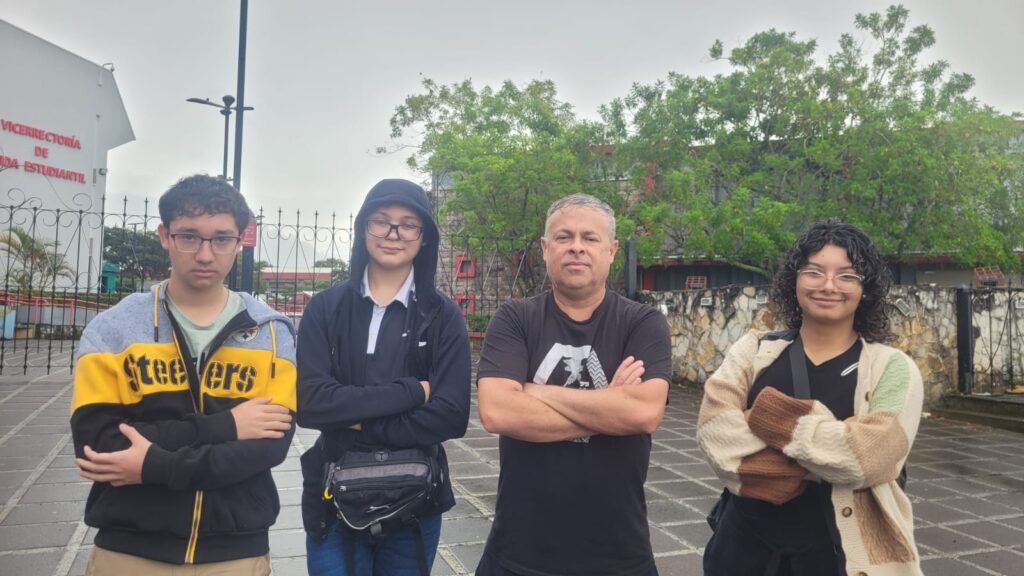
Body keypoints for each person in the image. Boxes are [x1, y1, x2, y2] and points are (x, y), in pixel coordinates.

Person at [71, 174, 297, 575]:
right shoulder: (113, 330)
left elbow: (268, 449)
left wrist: (151, 465)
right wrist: (226, 426)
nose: (206, 254)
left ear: (241, 239)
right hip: (129, 551)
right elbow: (98, 445)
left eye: (221, 239)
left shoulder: (271, 333)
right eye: (189, 237)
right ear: (164, 235)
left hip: (235, 553)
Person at [698, 220, 924, 576]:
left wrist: (770, 416)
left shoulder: (893, 369)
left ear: (866, 289)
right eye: (814, 272)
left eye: (847, 276)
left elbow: (868, 458)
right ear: (795, 279)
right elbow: (715, 430)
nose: (829, 285)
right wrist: (825, 458)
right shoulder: (754, 350)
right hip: (742, 551)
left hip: (838, 558)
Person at [475, 193, 672, 576]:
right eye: (564, 238)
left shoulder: (642, 323)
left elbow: (645, 413)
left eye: (590, 238)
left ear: (612, 250)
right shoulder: (515, 319)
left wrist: (534, 391)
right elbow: (498, 411)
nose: (577, 248)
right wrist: (610, 403)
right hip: (518, 553)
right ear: (545, 250)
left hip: (619, 554)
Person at [297, 178, 471, 576]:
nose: (394, 234)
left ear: (424, 237)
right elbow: (311, 404)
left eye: (408, 224)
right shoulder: (326, 308)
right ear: (363, 229)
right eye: (381, 221)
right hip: (333, 493)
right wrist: (413, 391)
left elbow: (450, 416)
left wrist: (353, 418)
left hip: (416, 498)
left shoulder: (443, 316)